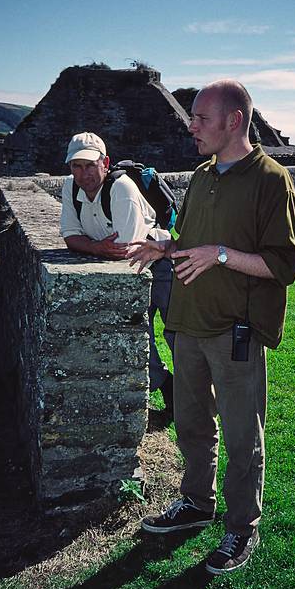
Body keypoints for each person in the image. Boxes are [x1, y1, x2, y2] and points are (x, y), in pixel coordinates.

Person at [127, 80, 295, 574]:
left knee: (244, 435)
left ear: (235, 121)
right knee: (193, 424)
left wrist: (221, 255)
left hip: (235, 331)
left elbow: (283, 266)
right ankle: (196, 503)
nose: (191, 125)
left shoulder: (271, 180)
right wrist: (166, 244)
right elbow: (194, 243)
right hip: (187, 323)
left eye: (202, 117)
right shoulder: (203, 175)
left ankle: (242, 527)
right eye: (192, 116)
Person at [60, 132, 174, 418]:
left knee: (179, 336)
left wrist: (93, 247)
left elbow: (124, 249)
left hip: (159, 268)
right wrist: (99, 247)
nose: (83, 173)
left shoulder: (121, 187)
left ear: (105, 162)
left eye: (89, 165)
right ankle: (170, 391)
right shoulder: (70, 188)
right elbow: (70, 237)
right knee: (137, 336)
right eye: (76, 166)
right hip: (129, 272)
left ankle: (193, 402)